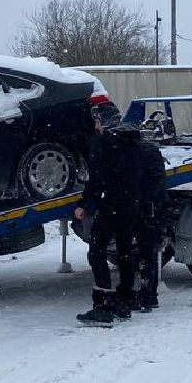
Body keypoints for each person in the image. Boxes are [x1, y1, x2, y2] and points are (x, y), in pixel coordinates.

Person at [74, 113, 166, 326]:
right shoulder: (135, 147)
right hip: (131, 208)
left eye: (97, 121)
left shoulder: (105, 146)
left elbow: (97, 180)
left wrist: (84, 204)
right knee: (125, 252)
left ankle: (104, 305)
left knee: (96, 252)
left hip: (111, 207)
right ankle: (125, 300)